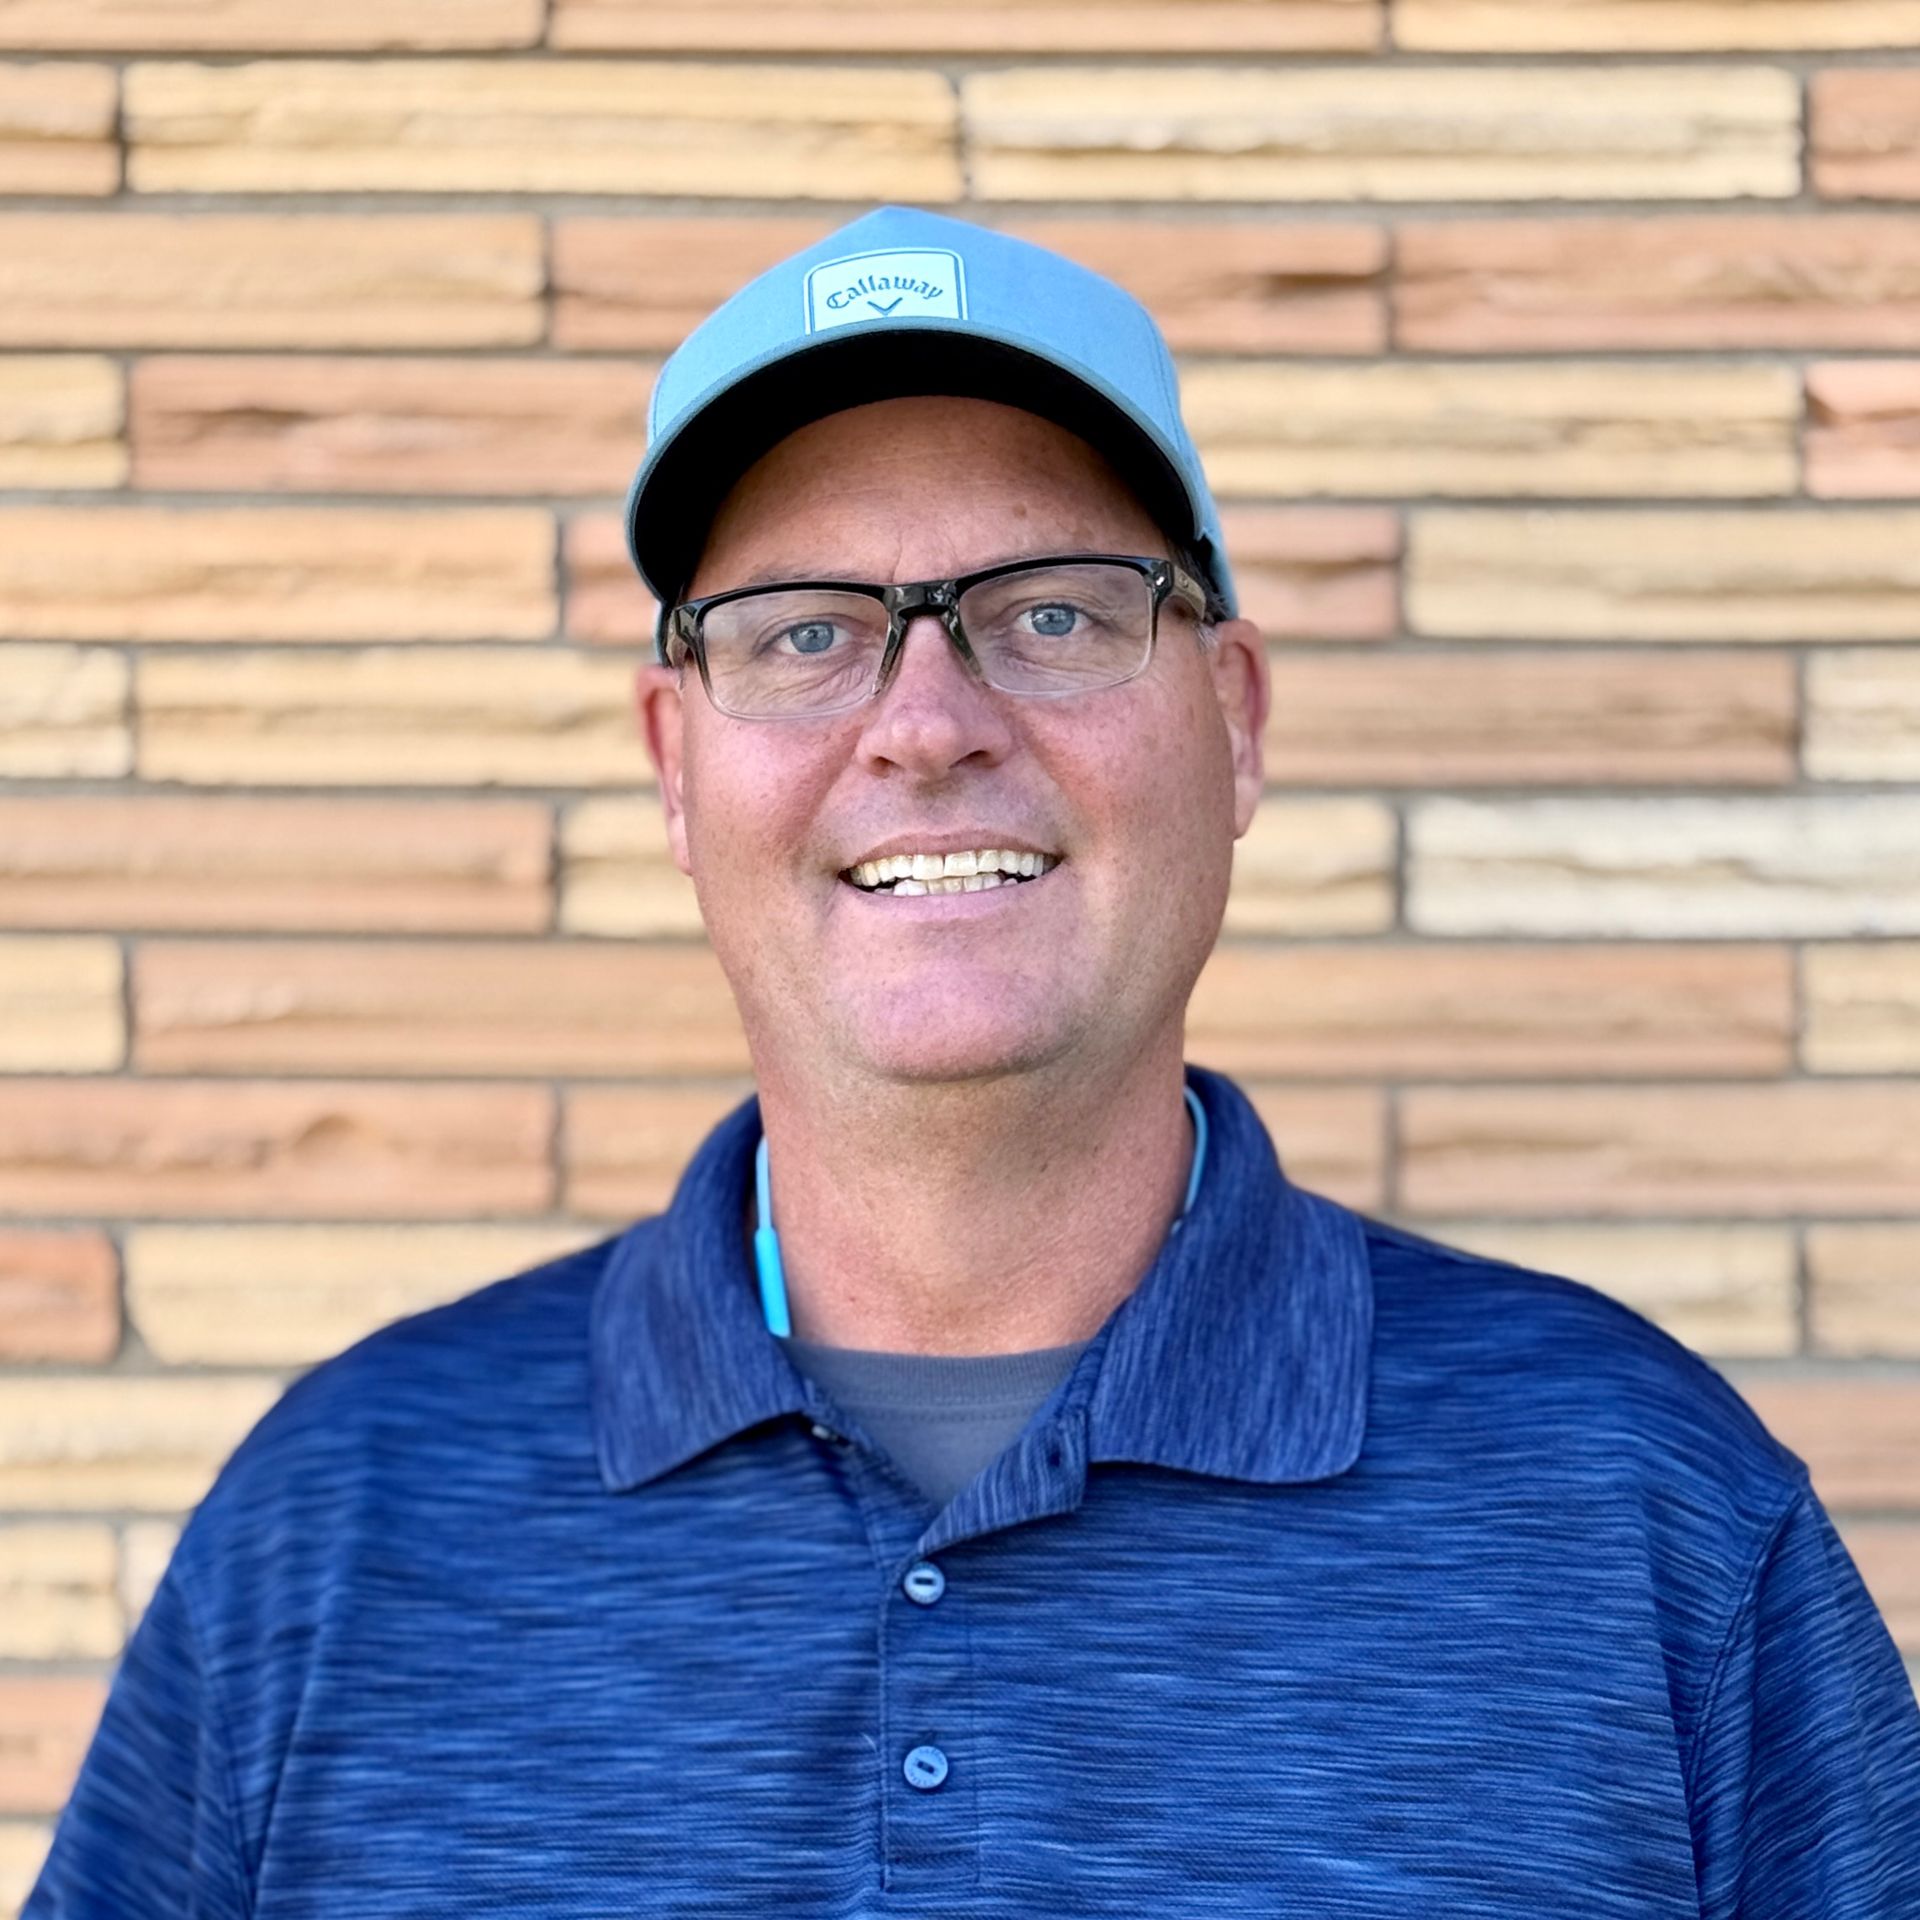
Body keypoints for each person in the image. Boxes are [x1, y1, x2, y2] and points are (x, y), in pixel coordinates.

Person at [27, 206, 1920, 1918]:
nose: (925, 724)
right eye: (803, 634)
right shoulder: (342, 1526)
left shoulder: (1635, 1505)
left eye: (1051, 613)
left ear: (1234, 724)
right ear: (676, 767)